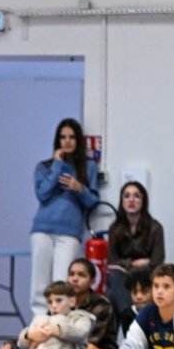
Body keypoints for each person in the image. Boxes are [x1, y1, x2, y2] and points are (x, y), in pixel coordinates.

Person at [28, 118, 100, 319]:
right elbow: (42, 194)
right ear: (57, 140)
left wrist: (79, 188)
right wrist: (57, 165)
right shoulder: (44, 167)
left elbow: (93, 201)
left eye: (71, 137)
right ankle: (39, 320)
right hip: (42, 230)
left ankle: (59, 321)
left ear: (78, 140)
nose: (67, 141)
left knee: (62, 282)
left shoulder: (88, 167)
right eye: (63, 137)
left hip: (69, 232)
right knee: (39, 281)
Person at [15, 281, 95, 349]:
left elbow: (80, 333)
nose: (53, 306)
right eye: (50, 302)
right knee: (41, 320)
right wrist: (29, 335)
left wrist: (57, 329)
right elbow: (21, 345)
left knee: (60, 328)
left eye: (58, 300)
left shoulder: (82, 317)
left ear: (72, 301)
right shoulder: (45, 320)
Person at [105, 181, 165, 317]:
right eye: (127, 196)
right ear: (122, 201)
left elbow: (157, 261)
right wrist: (132, 263)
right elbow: (112, 261)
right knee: (114, 278)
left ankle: (132, 319)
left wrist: (129, 265)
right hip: (123, 275)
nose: (131, 200)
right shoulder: (115, 228)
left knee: (115, 290)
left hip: (148, 274)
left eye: (136, 196)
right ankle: (130, 317)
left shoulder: (156, 227)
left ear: (143, 200)